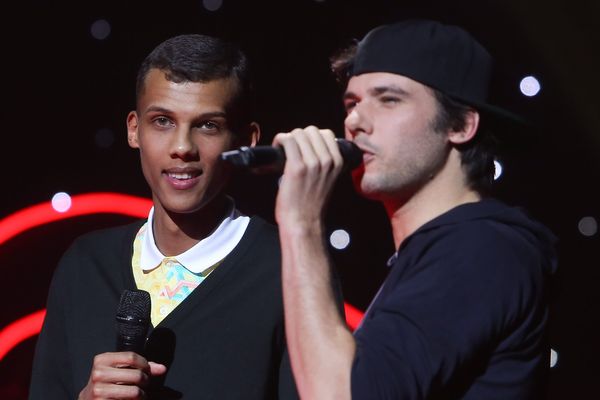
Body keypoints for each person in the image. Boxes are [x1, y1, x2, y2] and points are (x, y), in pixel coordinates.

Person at [273, 19, 557, 399]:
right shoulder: (443, 249)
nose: (354, 121)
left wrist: (301, 221)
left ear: (460, 125)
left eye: (388, 99)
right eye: (352, 104)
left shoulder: (483, 247)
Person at [29, 34, 298, 399]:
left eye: (208, 126)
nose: (182, 147)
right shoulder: (85, 265)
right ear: (134, 129)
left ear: (246, 141)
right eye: (162, 121)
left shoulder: (287, 270)